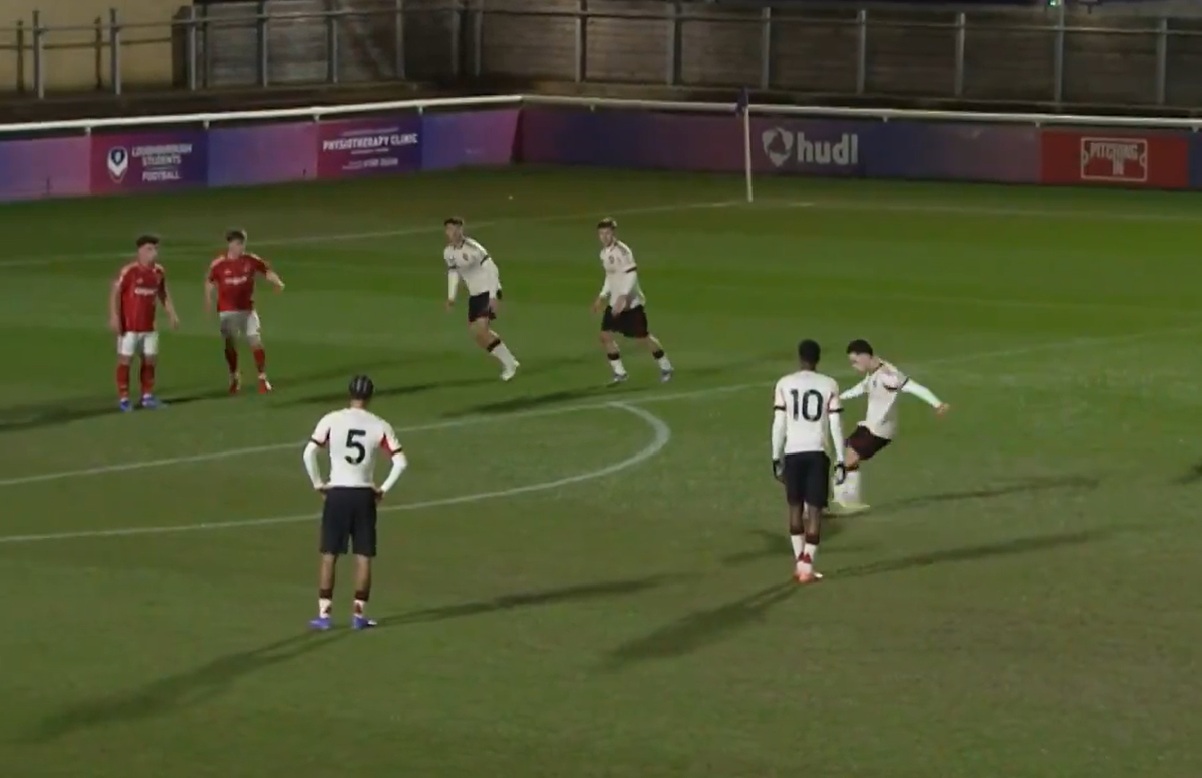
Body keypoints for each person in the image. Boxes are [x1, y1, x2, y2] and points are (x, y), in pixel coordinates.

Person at [301, 375, 408, 630]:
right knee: (363, 555)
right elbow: (401, 462)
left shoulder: (332, 419)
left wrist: (318, 483)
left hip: (337, 492)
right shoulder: (379, 425)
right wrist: (382, 490)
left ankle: (324, 615)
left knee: (329, 554)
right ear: (370, 396)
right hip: (363, 495)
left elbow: (309, 453)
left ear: (349, 394)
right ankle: (358, 615)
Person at [834, 339, 950, 512]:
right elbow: (862, 388)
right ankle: (845, 501)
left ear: (865, 356)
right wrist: (838, 398)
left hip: (880, 431)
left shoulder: (888, 376)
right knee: (846, 455)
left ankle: (844, 502)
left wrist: (937, 404)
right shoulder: (874, 371)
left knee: (848, 460)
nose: (854, 366)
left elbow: (914, 388)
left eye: (855, 361)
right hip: (870, 426)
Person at [772, 339, 845, 583]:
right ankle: (807, 565)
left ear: (799, 357)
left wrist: (776, 456)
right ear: (818, 358)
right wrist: (841, 459)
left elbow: (779, 424)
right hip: (817, 452)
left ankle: (799, 564)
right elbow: (835, 424)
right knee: (814, 512)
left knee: (795, 509)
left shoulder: (784, 383)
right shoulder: (829, 384)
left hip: (792, 452)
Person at [592, 217, 673, 384]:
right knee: (605, 335)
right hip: (615, 303)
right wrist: (602, 296)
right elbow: (610, 276)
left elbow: (631, 275)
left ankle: (666, 367)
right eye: (601, 234)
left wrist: (623, 296)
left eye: (607, 233)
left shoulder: (622, 251)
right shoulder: (604, 253)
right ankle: (620, 373)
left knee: (643, 337)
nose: (604, 237)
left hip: (631, 304)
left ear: (613, 233)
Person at [204, 229, 285, 394]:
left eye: (243, 244)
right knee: (230, 345)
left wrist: (278, 282)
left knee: (255, 340)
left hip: (248, 309)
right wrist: (208, 301)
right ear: (230, 244)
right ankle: (234, 376)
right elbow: (209, 282)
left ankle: (262, 378)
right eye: (238, 244)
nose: (241, 247)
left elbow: (267, 272)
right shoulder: (219, 264)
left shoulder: (250, 260)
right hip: (227, 311)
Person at [109, 234, 180, 411]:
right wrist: (114, 316)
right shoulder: (129, 271)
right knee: (125, 360)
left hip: (149, 326)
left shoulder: (158, 272)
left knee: (150, 360)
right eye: (149, 249)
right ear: (140, 251)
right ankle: (124, 399)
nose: (153, 252)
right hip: (129, 326)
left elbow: (162, 293)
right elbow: (115, 292)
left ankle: (147, 396)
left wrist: (172, 314)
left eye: (155, 249)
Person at [443, 217, 520, 381]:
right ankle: (510, 360)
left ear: (461, 229)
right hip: (475, 294)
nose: (453, 233)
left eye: (456, 229)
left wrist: (493, 296)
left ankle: (510, 364)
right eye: (449, 229)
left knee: (482, 329)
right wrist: (451, 297)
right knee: (477, 335)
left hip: (488, 290)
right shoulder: (448, 252)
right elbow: (453, 273)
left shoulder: (473, 248)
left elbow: (492, 269)